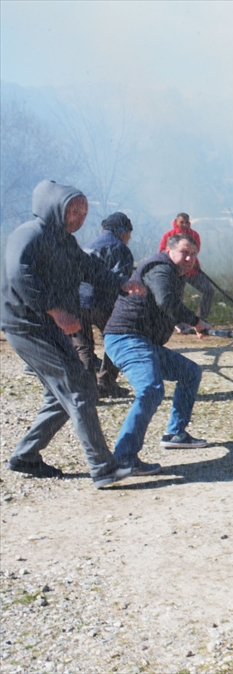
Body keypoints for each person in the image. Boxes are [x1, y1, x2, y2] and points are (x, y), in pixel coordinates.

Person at [1, 180, 147, 488]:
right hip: (26, 326)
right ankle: (103, 469)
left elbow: (89, 268)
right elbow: (19, 274)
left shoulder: (64, 241)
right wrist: (55, 309)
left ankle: (25, 456)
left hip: (47, 326)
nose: (79, 217)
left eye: (84, 212)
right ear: (54, 206)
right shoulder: (29, 234)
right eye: (74, 210)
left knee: (65, 396)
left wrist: (121, 283)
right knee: (80, 391)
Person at [103, 234, 214, 476]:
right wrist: (195, 322)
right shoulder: (161, 268)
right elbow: (165, 300)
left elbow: (160, 303)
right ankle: (123, 458)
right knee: (151, 389)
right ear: (168, 249)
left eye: (193, 255)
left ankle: (176, 433)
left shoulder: (171, 273)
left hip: (142, 341)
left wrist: (174, 321)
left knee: (190, 372)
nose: (189, 258)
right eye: (184, 252)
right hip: (127, 338)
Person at [72, 211, 136, 398]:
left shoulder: (88, 246)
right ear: (122, 231)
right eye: (129, 235)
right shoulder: (119, 249)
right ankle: (106, 384)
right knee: (116, 341)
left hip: (77, 301)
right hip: (102, 303)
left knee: (83, 347)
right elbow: (121, 281)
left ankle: (88, 391)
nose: (128, 239)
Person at [158, 212, 214, 329]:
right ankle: (176, 322)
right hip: (176, 272)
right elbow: (162, 252)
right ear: (176, 222)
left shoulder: (194, 235)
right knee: (176, 297)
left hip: (192, 270)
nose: (184, 224)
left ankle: (201, 319)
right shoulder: (168, 235)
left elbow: (195, 251)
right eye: (181, 222)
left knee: (208, 290)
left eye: (186, 222)